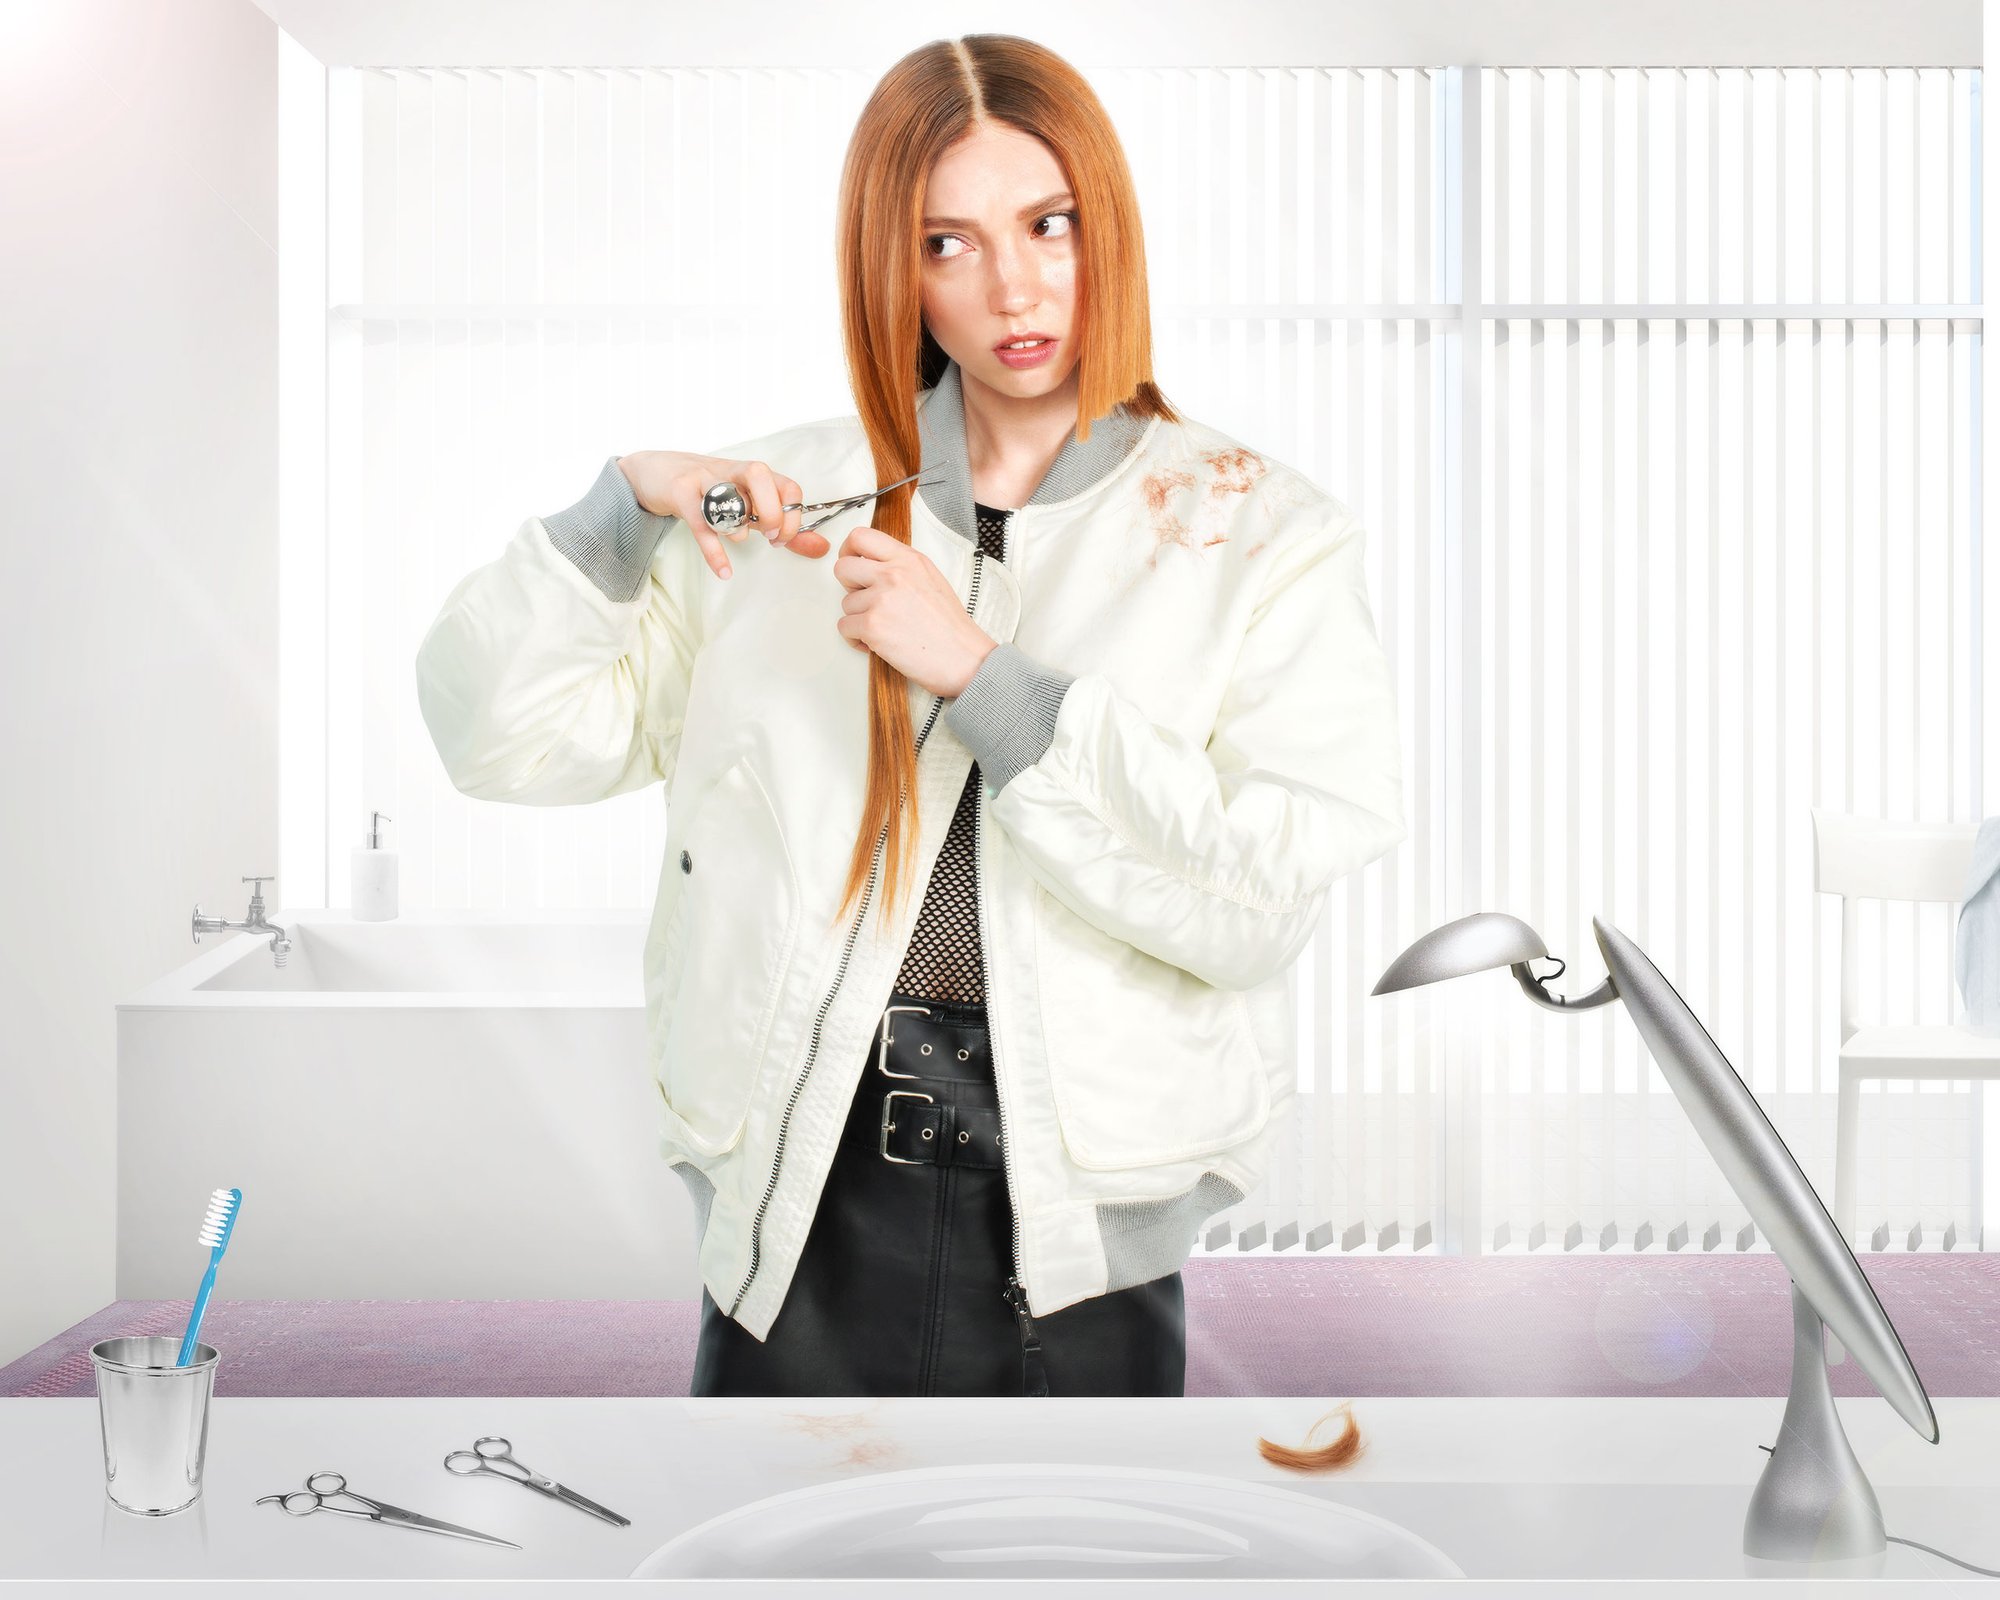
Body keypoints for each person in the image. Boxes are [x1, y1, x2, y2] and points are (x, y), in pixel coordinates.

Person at [414, 34, 1407, 1398]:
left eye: (1048, 224)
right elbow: (502, 739)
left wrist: (983, 677)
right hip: (799, 1197)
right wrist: (615, 517)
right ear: (893, 266)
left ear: (1103, 222)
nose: (1013, 287)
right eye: (948, 244)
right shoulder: (781, 511)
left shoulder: (1259, 533)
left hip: (1079, 1231)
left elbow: (1259, 897)